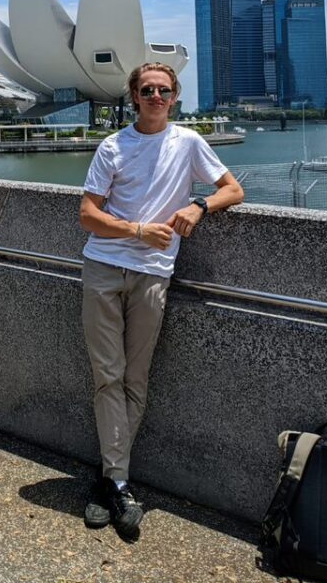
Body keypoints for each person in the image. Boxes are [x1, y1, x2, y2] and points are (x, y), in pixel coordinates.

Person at [79, 61, 244, 538]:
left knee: (136, 375)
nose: (155, 96)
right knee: (107, 374)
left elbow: (233, 189)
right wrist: (134, 229)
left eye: (163, 90)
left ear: (175, 97)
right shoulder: (112, 146)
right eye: (147, 89)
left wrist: (198, 205)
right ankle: (119, 483)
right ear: (134, 96)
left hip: (154, 273)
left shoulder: (188, 143)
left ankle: (109, 480)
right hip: (104, 267)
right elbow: (88, 215)